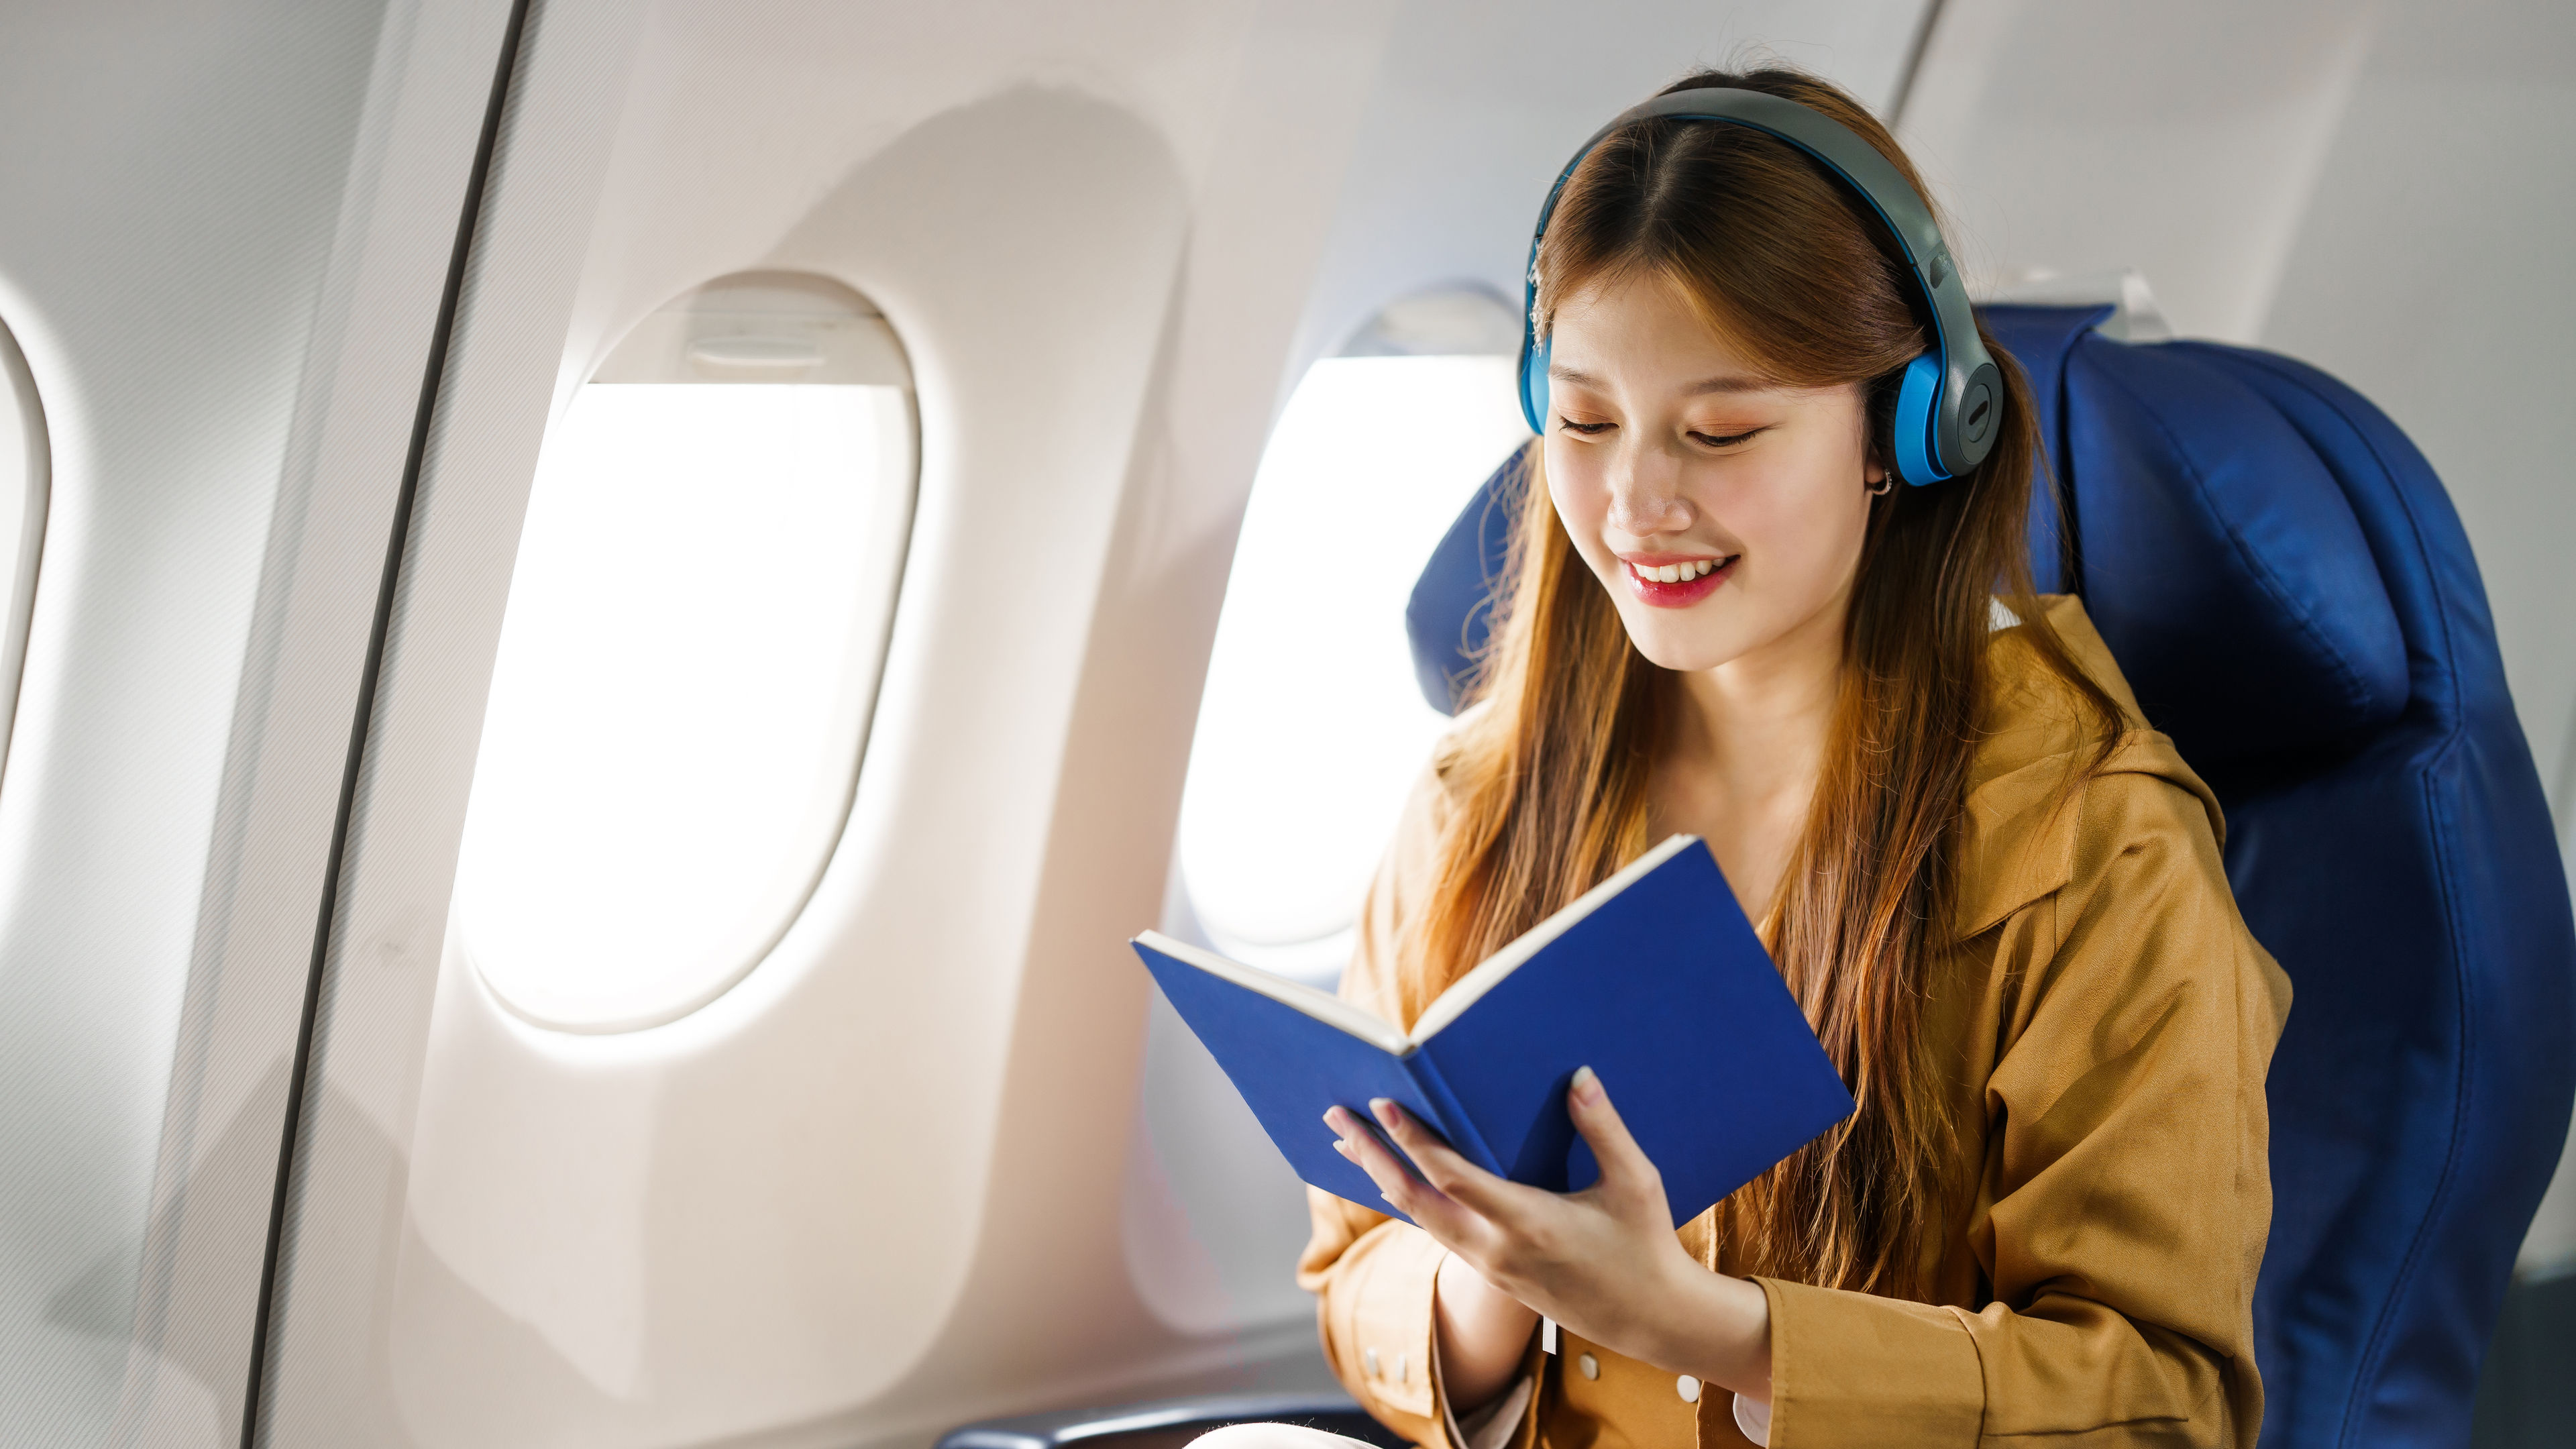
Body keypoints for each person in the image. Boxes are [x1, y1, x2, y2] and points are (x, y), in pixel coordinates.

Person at [1199, 62, 2292, 1449]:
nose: (1638, 502)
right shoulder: (1481, 799)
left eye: (1720, 432)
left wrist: (1699, 1327)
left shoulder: (2086, 842)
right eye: (1587, 421)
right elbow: (1354, 1270)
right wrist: (1488, 1276)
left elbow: (2160, 1405)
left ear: (1905, 430)